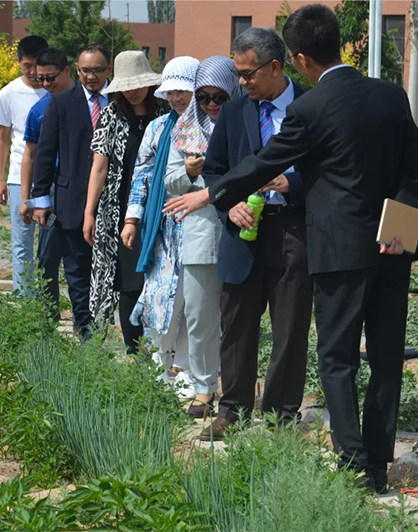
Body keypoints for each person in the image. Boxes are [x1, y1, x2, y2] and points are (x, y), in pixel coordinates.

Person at [163, 4, 418, 493]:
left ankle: (353, 465)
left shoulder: (309, 108)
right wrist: (397, 232)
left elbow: (265, 161)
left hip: (336, 252)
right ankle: (377, 465)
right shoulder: (391, 95)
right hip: (393, 249)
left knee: (337, 359)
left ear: (298, 59)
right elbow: (416, 177)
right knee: (387, 358)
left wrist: (209, 193)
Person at [199, 27, 312, 440]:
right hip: (242, 231)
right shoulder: (233, 112)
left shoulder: (311, 107)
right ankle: (232, 410)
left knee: (290, 326)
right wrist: (229, 205)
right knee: (236, 322)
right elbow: (214, 171)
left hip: (293, 230)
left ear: (275, 67)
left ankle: (281, 415)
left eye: (248, 74)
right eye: (238, 74)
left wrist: (292, 184)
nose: (242, 82)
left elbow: (332, 172)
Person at [163, 56, 240, 416]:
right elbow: (170, 182)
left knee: (239, 317)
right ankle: (204, 388)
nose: (210, 104)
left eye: (219, 97)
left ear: (234, 93)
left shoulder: (247, 122)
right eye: (203, 97)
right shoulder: (186, 127)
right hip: (200, 235)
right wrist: (190, 172)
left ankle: (239, 390)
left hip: (242, 230)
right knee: (199, 315)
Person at [120, 57, 200, 390]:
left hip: (198, 226)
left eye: (183, 91)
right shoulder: (157, 128)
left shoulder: (209, 127)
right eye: (171, 92)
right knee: (159, 296)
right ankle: (159, 367)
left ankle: (189, 372)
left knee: (194, 301)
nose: (176, 98)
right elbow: (142, 176)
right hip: (162, 227)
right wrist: (132, 219)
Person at [29, 43, 114, 341]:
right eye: (85, 70)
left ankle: (104, 325)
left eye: (97, 70)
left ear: (109, 70)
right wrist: (41, 200)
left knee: (107, 271)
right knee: (77, 271)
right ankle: (86, 333)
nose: (91, 76)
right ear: (76, 70)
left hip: (113, 200)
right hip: (71, 200)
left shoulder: (121, 101)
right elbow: (45, 154)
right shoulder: (61, 103)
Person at [84, 51, 165, 354]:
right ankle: (134, 350)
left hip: (160, 206)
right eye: (126, 86)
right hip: (119, 209)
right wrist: (89, 212)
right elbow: (99, 167)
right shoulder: (111, 115)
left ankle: (161, 348)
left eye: (137, 85)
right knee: (129, 281)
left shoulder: (165, 112)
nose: (132, 92)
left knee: (157, 276)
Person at [19, 48, 74, 319]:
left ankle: (85, 321)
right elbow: (30, 155)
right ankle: (48, 316)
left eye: (50, 78)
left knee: (82, 259)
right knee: (47, 257)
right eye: (40, 79)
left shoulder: (89, 104)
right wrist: (27, 199)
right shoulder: (38, 111)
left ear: (67, 71)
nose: (45, 84)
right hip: (50, 192)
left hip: (80, 189)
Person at [0, 35, 48, 295]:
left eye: (37, 64)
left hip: (52, 178)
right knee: (22, 242)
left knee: (50, 243)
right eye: (27, 65)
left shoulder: (57, 90)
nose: (33, 71)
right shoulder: (9, 93)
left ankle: (48, 298)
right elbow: (2, 137)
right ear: (19, 62)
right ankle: (24, 298)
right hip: (18, 178)